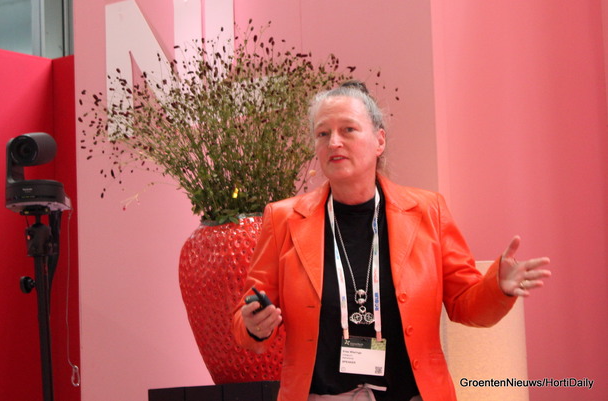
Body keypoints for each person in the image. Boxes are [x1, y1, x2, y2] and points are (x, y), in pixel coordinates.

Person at [231, 81, 551, 401]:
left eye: (348, 129)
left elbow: (465, 305)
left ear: (379, 140)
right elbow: (245, 319)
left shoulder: (428, 211)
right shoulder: (283, 219)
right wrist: (254, 326)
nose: (334, 142)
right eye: (323, 133)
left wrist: (498, 287)